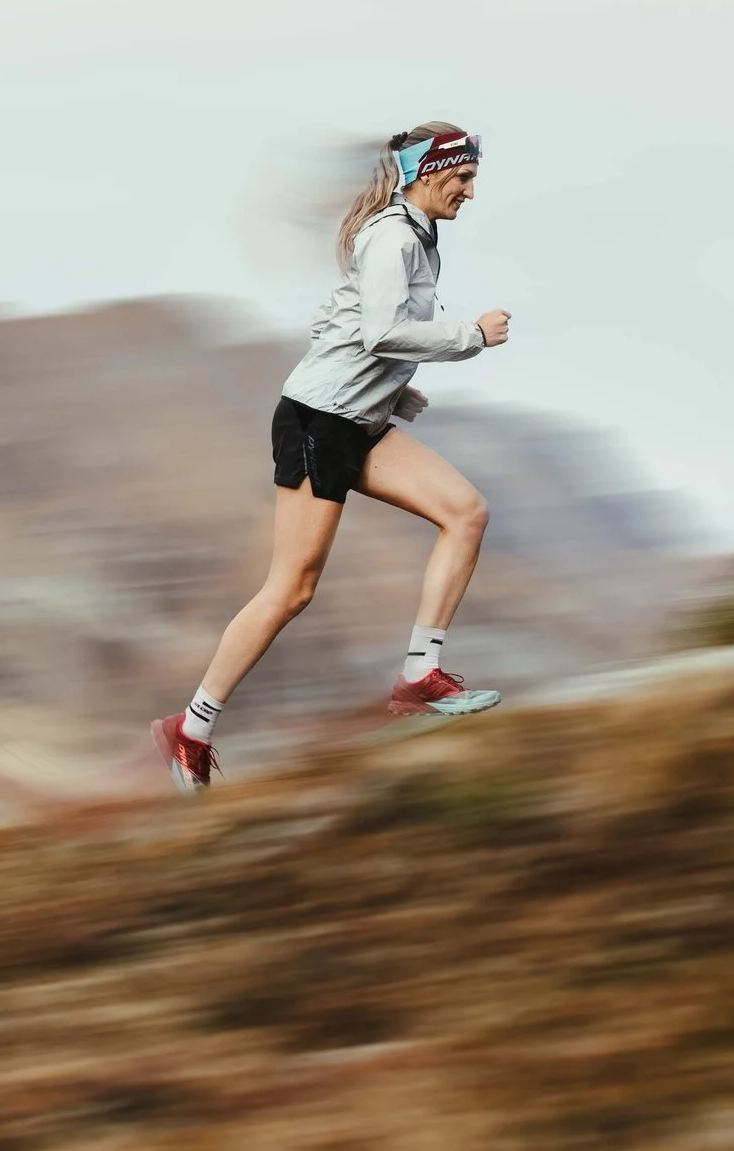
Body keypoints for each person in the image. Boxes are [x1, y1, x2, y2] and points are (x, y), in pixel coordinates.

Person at [152, 122, 511, 794]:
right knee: (292, 589)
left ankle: (418, 677)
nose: (468, 191)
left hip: (358, 420)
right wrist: (472, 336)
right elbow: (381, 330)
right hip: (319, 423)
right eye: (461, 178)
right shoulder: (392, 236)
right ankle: (191, 727)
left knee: (466, 511)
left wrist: (393, 392)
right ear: (428, 173)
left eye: (471, 179)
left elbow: (339, 324)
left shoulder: (415, 237)